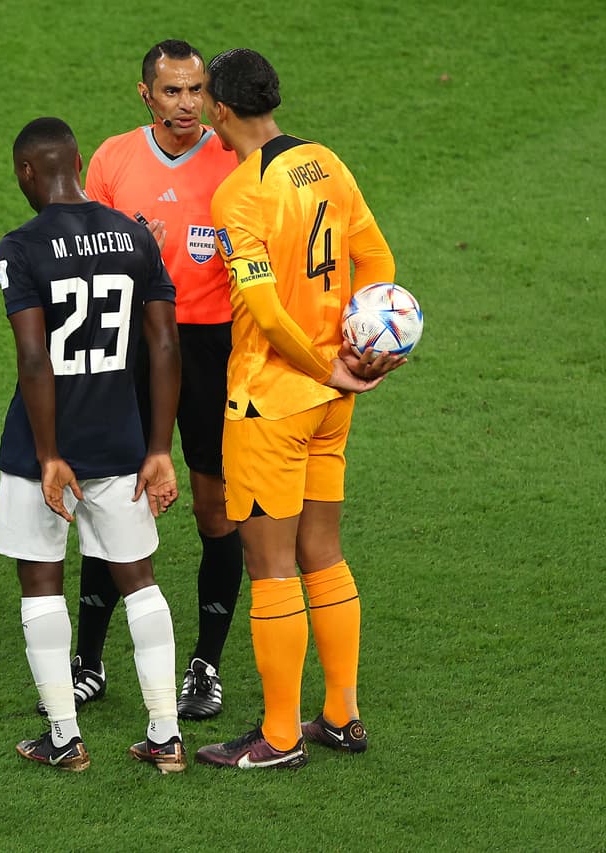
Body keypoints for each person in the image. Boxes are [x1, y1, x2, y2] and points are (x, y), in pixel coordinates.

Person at [193, 49, 407, 769]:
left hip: (271, 403)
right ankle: (342, 715)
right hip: (330, 406)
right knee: (324, 552)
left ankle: (279, 736)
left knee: (272, 569)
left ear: (221, 110)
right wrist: (362, 347)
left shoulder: (239, 195)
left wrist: (324, 366)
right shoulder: (326, 162)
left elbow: (264, 311)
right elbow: (378, 263)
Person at [52, 38, 240, 722]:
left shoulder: (233, 158)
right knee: (112, 498)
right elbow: (77, 259)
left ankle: (205, 666)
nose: (187, 105)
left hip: (211, 347)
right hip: (128, 347)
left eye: (196, 91)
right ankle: (90, 661)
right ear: (145, 95)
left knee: (213, 505)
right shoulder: (112, 159)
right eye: (172, 92)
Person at [0, 117, 185, 774]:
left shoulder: (19, 246)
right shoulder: (134, 235)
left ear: (26, 172)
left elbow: (32, 355)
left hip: (43, 444)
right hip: (121, 437)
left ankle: (65, 738)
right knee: (140, 581)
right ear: (77, 159)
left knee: (41, 582)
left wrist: (48, 455)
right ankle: (165, 734)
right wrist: (158, 446)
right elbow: (163, 343)